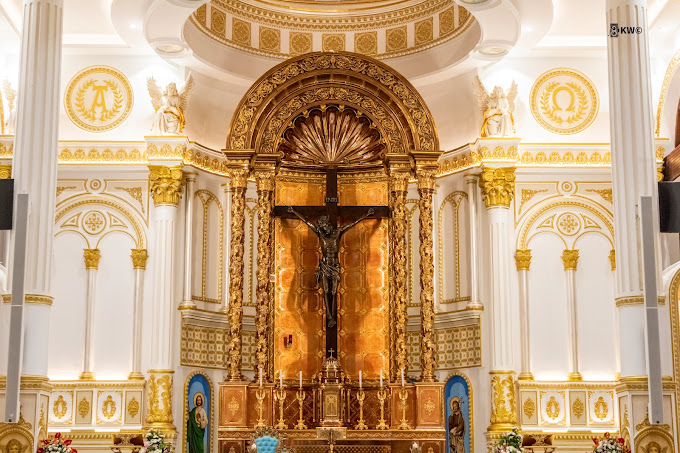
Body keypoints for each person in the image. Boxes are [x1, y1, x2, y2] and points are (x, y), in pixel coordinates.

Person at [287, 206, 375, 328]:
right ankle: (329, 315)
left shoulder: (338, 232)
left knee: (333, 291)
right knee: (326, 290)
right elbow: (307, 222)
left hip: (334, 265)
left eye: (325, 225)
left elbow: (351, 224)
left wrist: (366, 215)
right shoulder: (320, 234)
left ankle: (332, 315)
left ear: (327, 224)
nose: (323, 228)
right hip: (324, 265)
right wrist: (294, 212)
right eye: (321, 226)